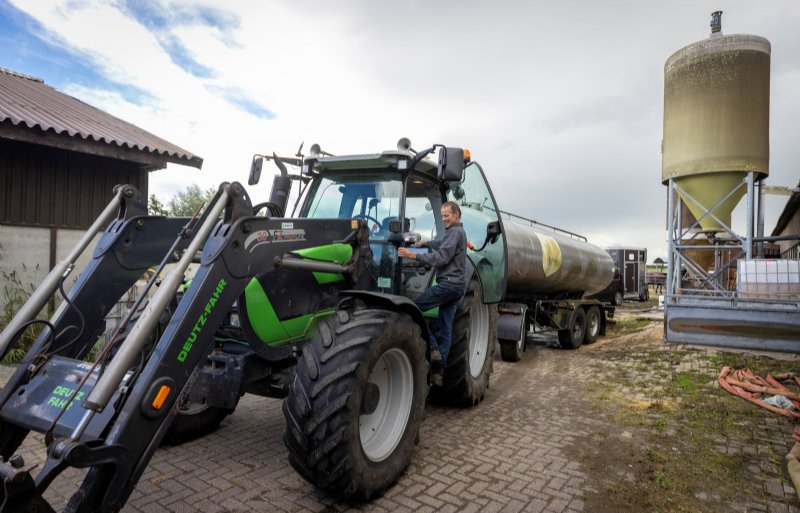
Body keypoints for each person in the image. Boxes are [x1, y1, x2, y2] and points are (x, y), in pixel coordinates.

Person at [398, 201, 467, 387]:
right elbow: (441, 244)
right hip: (457, 287)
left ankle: (434, 349)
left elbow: (441, 257)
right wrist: (425, 242)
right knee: (446, 330)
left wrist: (413, 254)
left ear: (456, 215)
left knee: (414, 309)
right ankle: (438, 373)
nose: (444, 218)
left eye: (447, 215)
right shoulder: (454, 233)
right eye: (442, 215)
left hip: (448, 286)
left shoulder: (455, 233)